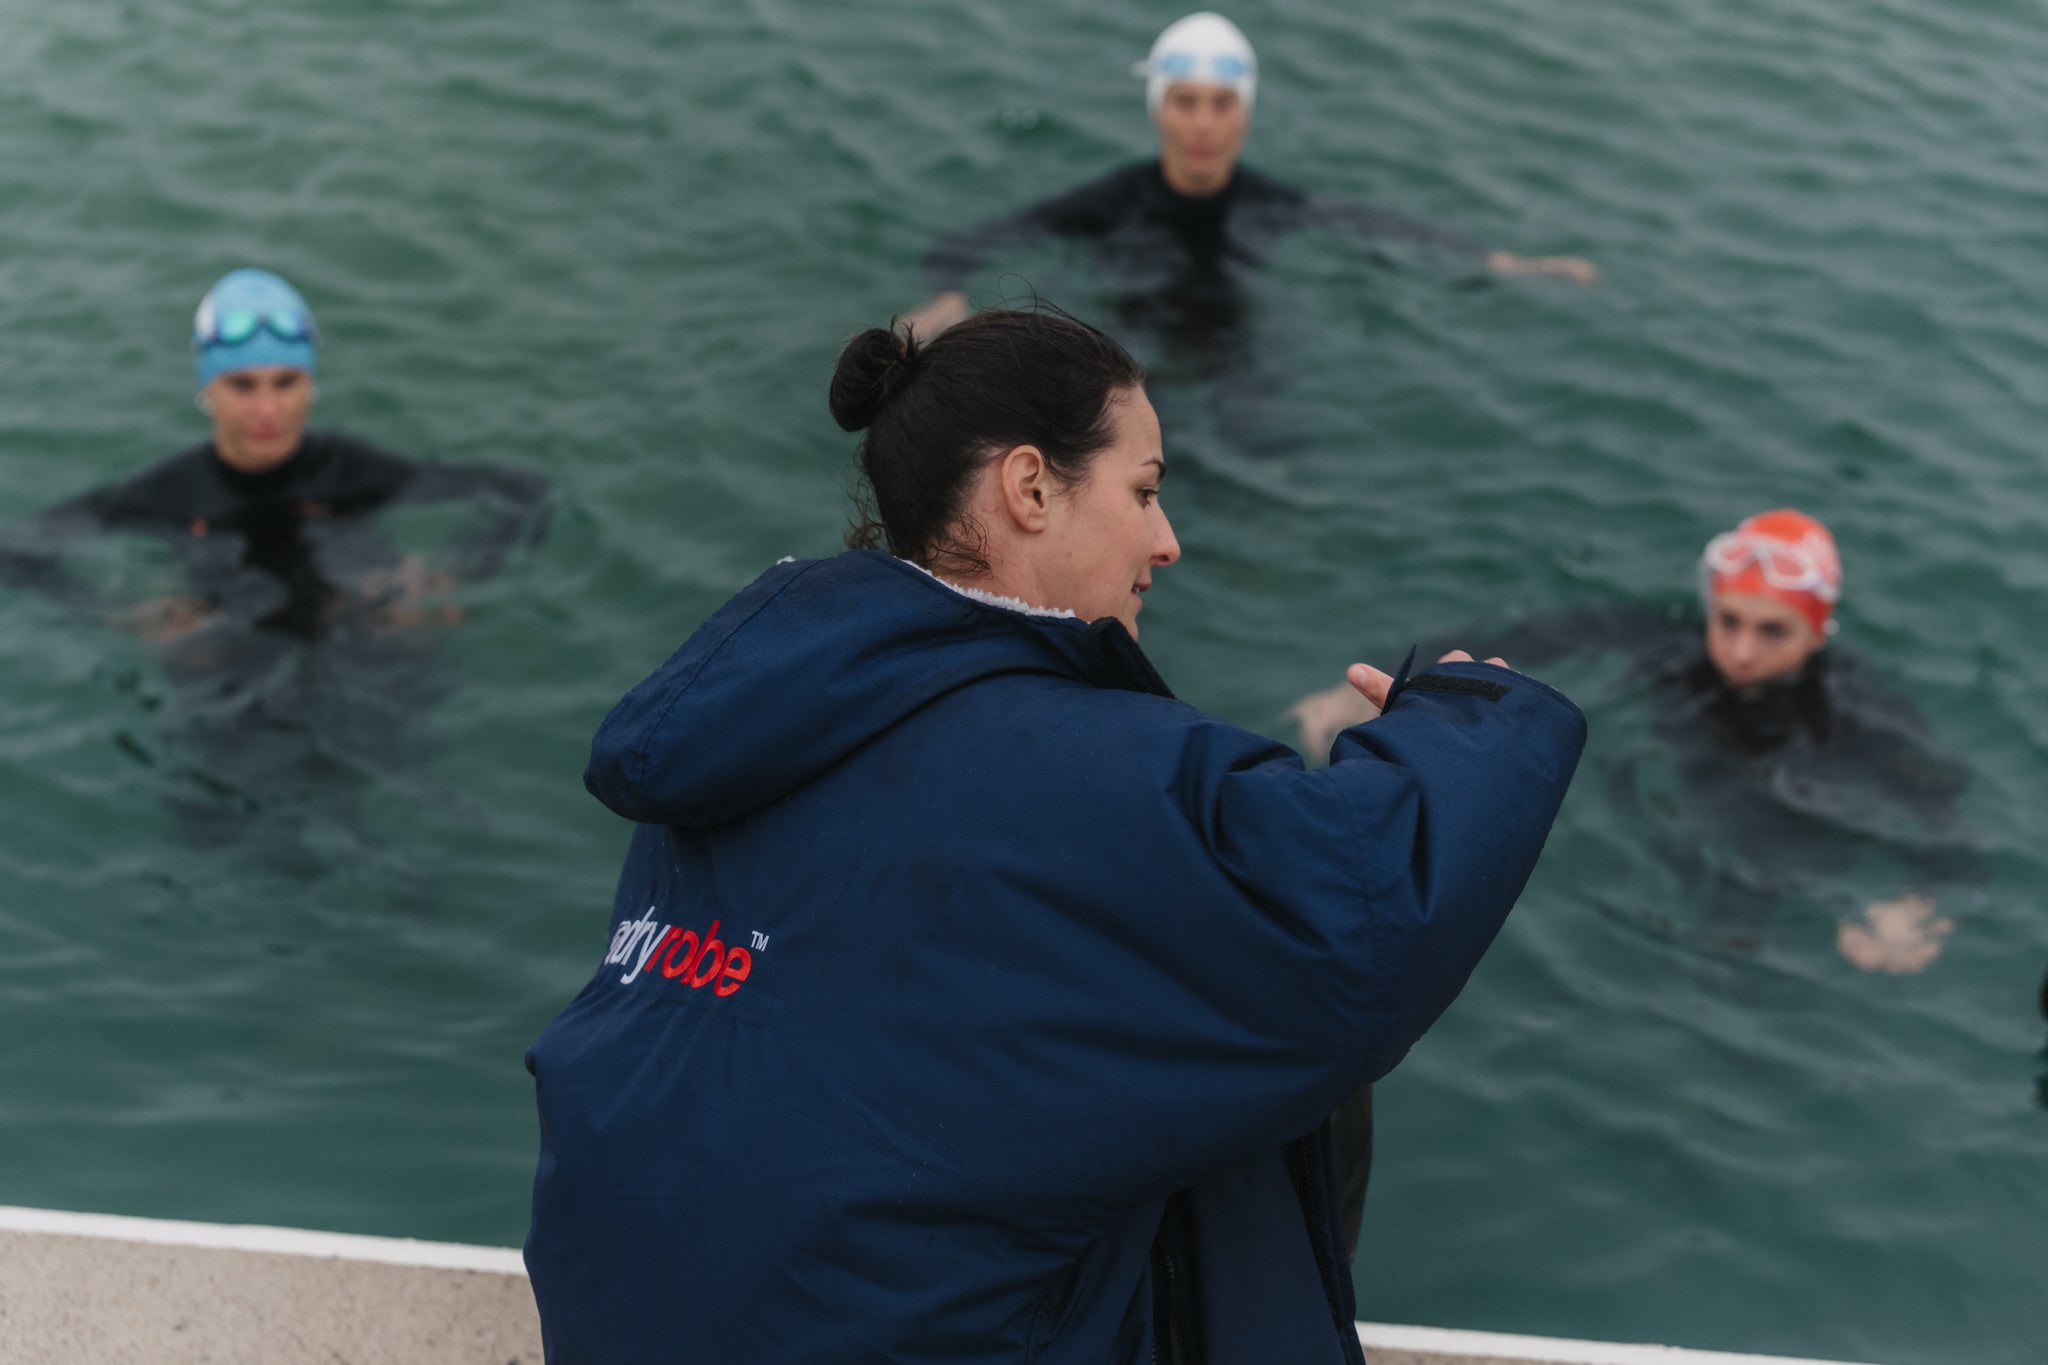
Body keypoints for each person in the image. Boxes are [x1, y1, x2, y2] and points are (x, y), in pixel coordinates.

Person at [522, 305, 1586, 1363]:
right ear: (1029, 487)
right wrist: (1469, 721)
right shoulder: (1081, 760)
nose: (1165, 541)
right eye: (1144, 490)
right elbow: (1355, 919)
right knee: (1274, 1052)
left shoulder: (744, 729)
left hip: (624, 1321)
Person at [1295, 509, 1965, 979]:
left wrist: (1917, 903)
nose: (1739, 651)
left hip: (1788, 844)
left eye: (1772, 632)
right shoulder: (1669, 645)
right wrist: (1375, 680)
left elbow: (1941, 807)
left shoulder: (1860, 705)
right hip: (1676, 818)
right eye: (1728, 620)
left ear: (1817, 635)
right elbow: (1529, 637)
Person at [0, 268, 550, 836]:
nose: (268, 409)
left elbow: (523, 494)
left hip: (365, 643)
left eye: (286, 382)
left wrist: (449, 575)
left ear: (310, 385)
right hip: (233, 666)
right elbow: (13, 553)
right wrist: (124, 612)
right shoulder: (168, 493)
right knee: (224, 830)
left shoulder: (348, 470)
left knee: (409, 820)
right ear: (207, 388)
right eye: (243, 385)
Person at [902, 11, 1596, 351]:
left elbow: (1376, 225)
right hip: (1130, 337)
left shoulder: (1271, 203)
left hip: (1231, 338)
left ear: (1244, 114)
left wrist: (1501, 261)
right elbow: (981, 239)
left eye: (1221, 103)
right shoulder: (1113, 201)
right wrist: (950, 291)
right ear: (1160, 110)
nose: (1203, 123)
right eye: (1186, 101)